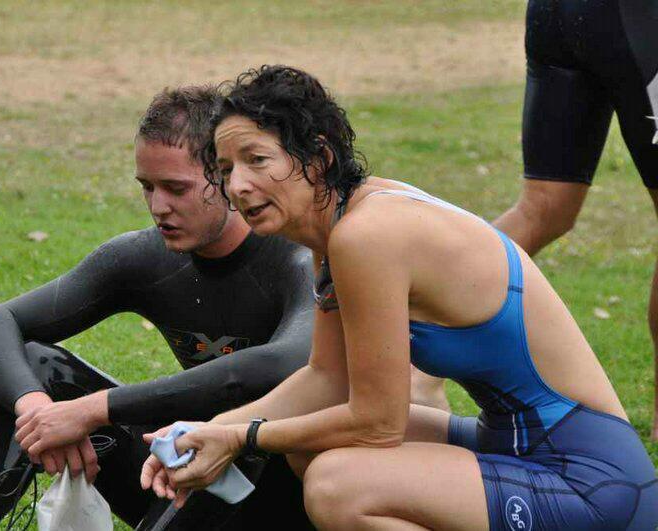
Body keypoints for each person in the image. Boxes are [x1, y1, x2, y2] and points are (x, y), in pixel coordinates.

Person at [74, 65, 658, 529]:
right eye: (225, 169)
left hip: (591, 478)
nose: (239, 185)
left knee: (338, 486)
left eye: (258, 160)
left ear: (319, 158)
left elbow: (378, 423)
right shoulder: (338, 231)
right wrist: (213, 428)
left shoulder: (367, 236)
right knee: (308, 450)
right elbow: (327, 379)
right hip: (512, 445)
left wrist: (237, 437)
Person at [0, 86, 316, 530]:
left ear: (226, 176)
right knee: (37, 368)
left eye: (176, 188)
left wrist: (95, 409)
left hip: (285, 489)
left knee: (226, 436)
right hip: (179, 469)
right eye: (147, 187)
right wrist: (39, 411)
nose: (158, 207)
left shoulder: (299, 259)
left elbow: (280, 365)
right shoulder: (142, 257)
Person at [492, 0, 658, 440]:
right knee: (543, 208)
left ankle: (415, 369)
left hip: (558, 12)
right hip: (640, 20)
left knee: (542, 209)